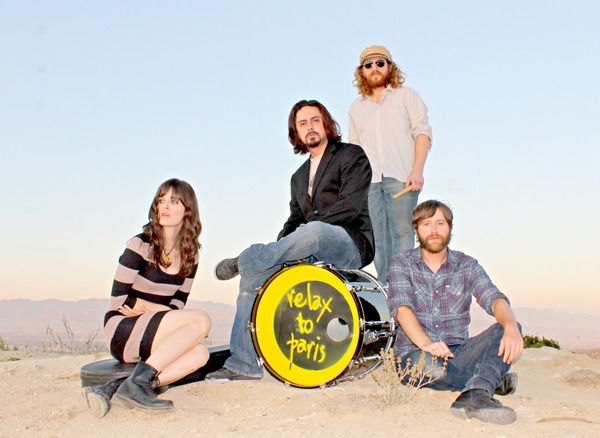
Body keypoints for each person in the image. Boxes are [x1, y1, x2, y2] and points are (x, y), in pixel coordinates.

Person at [207, 99, 374, 381]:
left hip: (348, 243)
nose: (310, 127)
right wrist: (285, 244)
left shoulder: (351, 155)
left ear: (326, 124)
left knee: (313, 232)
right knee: (253, 278)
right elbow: (294, 219)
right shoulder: (297, 178)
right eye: (302, 123)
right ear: (296, 133)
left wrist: (304, 235)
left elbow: (351, 206)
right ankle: (243, 364)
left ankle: (244, 259)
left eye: (315, 120)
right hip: (307, 245)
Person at [82, 178, 211, 418]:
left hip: (155, 330)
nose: (165, 206)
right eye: (161, 200)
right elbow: (120, 300)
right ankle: (135, 386)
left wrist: (148, 307)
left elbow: (178, 305)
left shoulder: (190, 255)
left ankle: (122, 387)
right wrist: (153, 309)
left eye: (174, 201)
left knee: (200, 355)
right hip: (123, 328)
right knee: (202, 320)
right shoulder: (139, 245)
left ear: (188, 211)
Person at [387, 200, 523, 424]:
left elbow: (494, 298)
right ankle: (488, 381)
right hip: (415, 354)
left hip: (458, 352)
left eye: (440, 223)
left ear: (450, 228)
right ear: (416, 229)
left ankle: (475, 393)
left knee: (509, 327)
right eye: (426, 224)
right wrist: (426, 343)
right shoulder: (401, 264)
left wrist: (510, 327)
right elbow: (402, 309)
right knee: (430, 367)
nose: (434, 230)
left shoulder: (466, 265)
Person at [348, 45, 432, 285]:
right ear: (362, 71)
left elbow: (422, 133)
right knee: (378, 239)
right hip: (370, 182)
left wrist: (417, 171)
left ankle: (403, 289)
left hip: (402, 177)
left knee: (402, 234)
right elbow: (355, 150)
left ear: (390, 67)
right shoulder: (356, 107)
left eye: (380, 63)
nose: (374, 68)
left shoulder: (407, 96)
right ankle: (386, 290)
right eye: (368, 65)